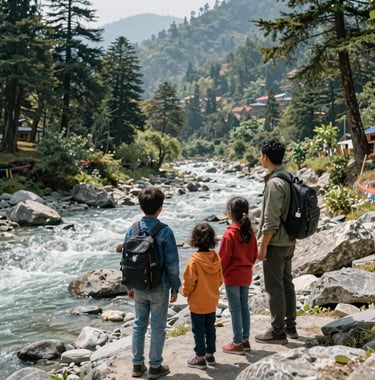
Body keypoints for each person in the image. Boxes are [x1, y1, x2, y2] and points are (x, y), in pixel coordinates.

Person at [125, 186, 181, 379]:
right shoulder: (165, 231)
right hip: (160, 285)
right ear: (161, 207)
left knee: (139, 324)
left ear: (141, 206)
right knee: (158, 325)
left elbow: (126, 260)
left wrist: (128, 285)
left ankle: (137, 365)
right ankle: (155, 366)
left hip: (138, 285)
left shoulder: (132, 229)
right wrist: (175, 287)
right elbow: (172, 263)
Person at [255, 138, 298, 345]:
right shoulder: (288, 177)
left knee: (275, 287)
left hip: (276, 243)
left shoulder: (274, 183)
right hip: (290, 240)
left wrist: (262, 247)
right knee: (287, 283)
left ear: (265, 157)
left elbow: (270, 221)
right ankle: (291, 326)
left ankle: (277, 330)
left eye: (260, 155)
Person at [219, 196, 258, 355]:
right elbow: (254, 255)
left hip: (232, 277)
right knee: (244, 307)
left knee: (235, 309)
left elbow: (223, 258)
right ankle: (245, 339)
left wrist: (219, 275)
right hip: (246, 275)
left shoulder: (229, 235)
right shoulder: (250, 233)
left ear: (229, 214)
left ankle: (237, 342)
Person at [182, 222, 223, 370]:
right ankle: (210, 355)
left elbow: (189, 282)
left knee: (198, 331)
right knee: (210, 328)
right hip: (211, 301)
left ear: (194, 239)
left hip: (197, 303)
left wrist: (185, 293)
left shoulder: (194, 261)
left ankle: (199, 358)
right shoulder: (216, 258)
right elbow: (220, 280)